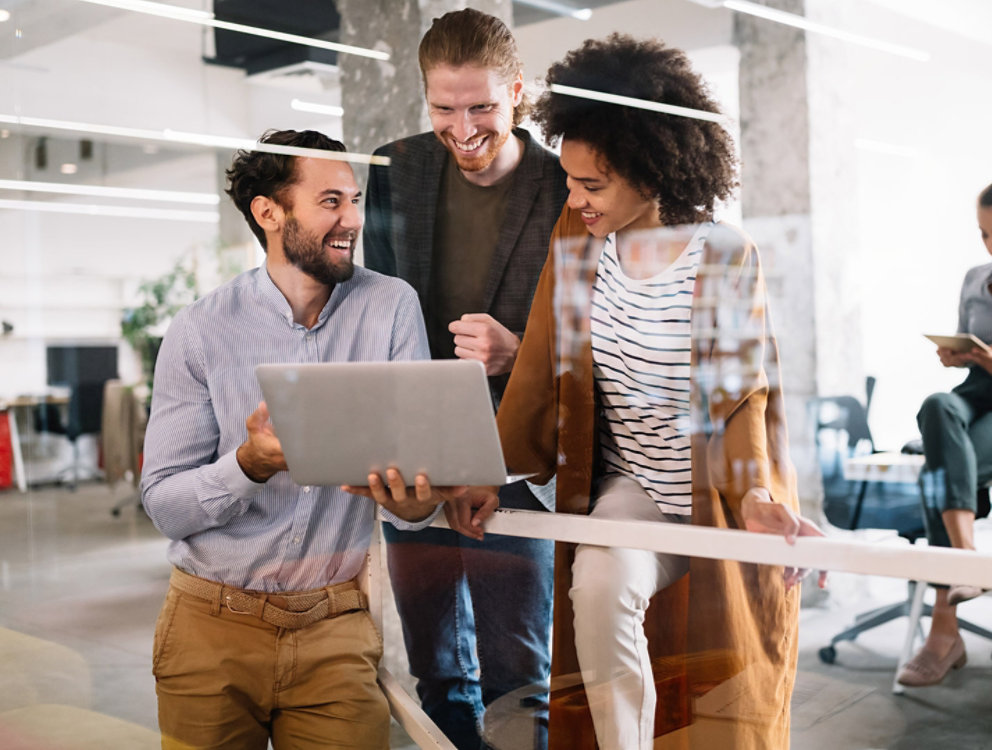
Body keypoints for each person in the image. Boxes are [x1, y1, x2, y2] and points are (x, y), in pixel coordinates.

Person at [452, 36, 824, 750]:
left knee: (730, 673)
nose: (575, 199)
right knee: (597, 584)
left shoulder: (721, 253)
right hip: (636, 484)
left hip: (712, 491)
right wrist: (490, 468)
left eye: (594, 186)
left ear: (653, 174)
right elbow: (543, 361)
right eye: (570, 181)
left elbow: (741, 395)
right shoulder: (579, 238)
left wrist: (754, 497)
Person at [140, 129, 449, 750]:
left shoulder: (390, 308)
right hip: (210, 626)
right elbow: (165, 506)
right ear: (269, 213)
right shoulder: (201, 330)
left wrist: (415, 500)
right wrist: (248, 464)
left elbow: (416, 501)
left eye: (355, 200)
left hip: (335, 627)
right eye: (331, 201)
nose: (353, 220)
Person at [363, 9, 567, 749]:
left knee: (520, 673)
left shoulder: (560, 184)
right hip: (418, 449)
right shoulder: (398, 167)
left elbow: (597, 326)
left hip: (516, 455)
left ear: (518, 90)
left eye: (482, 105)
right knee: (434, 670)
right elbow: (374, 305)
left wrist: (521, 353)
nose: (464, 127)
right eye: (445, 108)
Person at [902, 178, 992, 687]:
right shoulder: (973, 278)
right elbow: (971, 356)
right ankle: (965, 559)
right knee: (936, 406)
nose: (991, 246)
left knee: (939, 469)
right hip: (977, 392)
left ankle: (944, 632)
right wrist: (959, 355)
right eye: (984, 234)